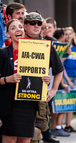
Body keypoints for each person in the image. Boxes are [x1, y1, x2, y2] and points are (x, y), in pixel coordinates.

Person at [0, 19, 51, 143]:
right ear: (8, 34)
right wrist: (9, 79)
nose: (18, 29)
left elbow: (39, 75)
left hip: (28, 103)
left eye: (20, 27)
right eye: (13, 28)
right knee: (9, 139)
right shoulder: (2, 53)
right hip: (9, 104)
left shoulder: (36, 51)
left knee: (25, 139)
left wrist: (46, 80)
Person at [23, 13, 64, 143]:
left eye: (39, 23)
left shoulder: (47, 45)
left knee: (36, 131)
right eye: (32, 23)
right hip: (17, 95)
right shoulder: (16, 43)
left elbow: (59, 69)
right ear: (25, 25)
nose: (36, 26)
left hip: (39, 95)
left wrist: (53, 89)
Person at [62, 27, 76, 133]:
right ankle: (60, 125)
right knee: (65, 102)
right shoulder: (63, 48)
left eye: (70, 34)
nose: (68, 36)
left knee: (72, 102)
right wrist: (68, 81)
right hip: (67, 78)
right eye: (66, 34)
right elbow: (61, 66)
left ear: (73, 35)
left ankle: (68, 125)